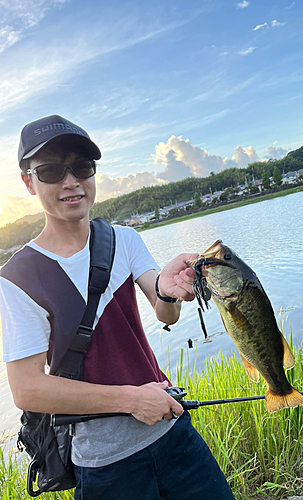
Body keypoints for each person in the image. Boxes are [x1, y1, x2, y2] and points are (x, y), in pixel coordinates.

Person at [0, 115, 235, 500]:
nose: (70, 181)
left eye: (81, 166)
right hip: (105, 463)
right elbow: (26, 389)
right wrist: (130, 400)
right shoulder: (18, 277)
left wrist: (171, 290)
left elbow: (165, 312)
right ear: (28, 181)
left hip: (171, 429)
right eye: (51, 171)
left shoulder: (122, 239)